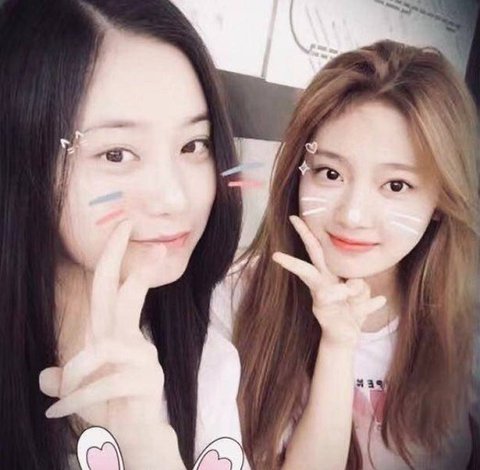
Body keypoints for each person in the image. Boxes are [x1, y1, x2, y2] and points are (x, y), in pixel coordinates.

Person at [0, 1, 244, 468]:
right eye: (116, 154)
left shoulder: (206, 363)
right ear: (23, 155)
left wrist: (147, 445)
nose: (174, 198)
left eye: (193, 145)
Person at [233, 40, 480, 469]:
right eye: (330, 173)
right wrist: (337, 345)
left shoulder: (467, 329)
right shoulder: (235, 297)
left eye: (396, 185)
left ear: (441, 200)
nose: (352, 215)